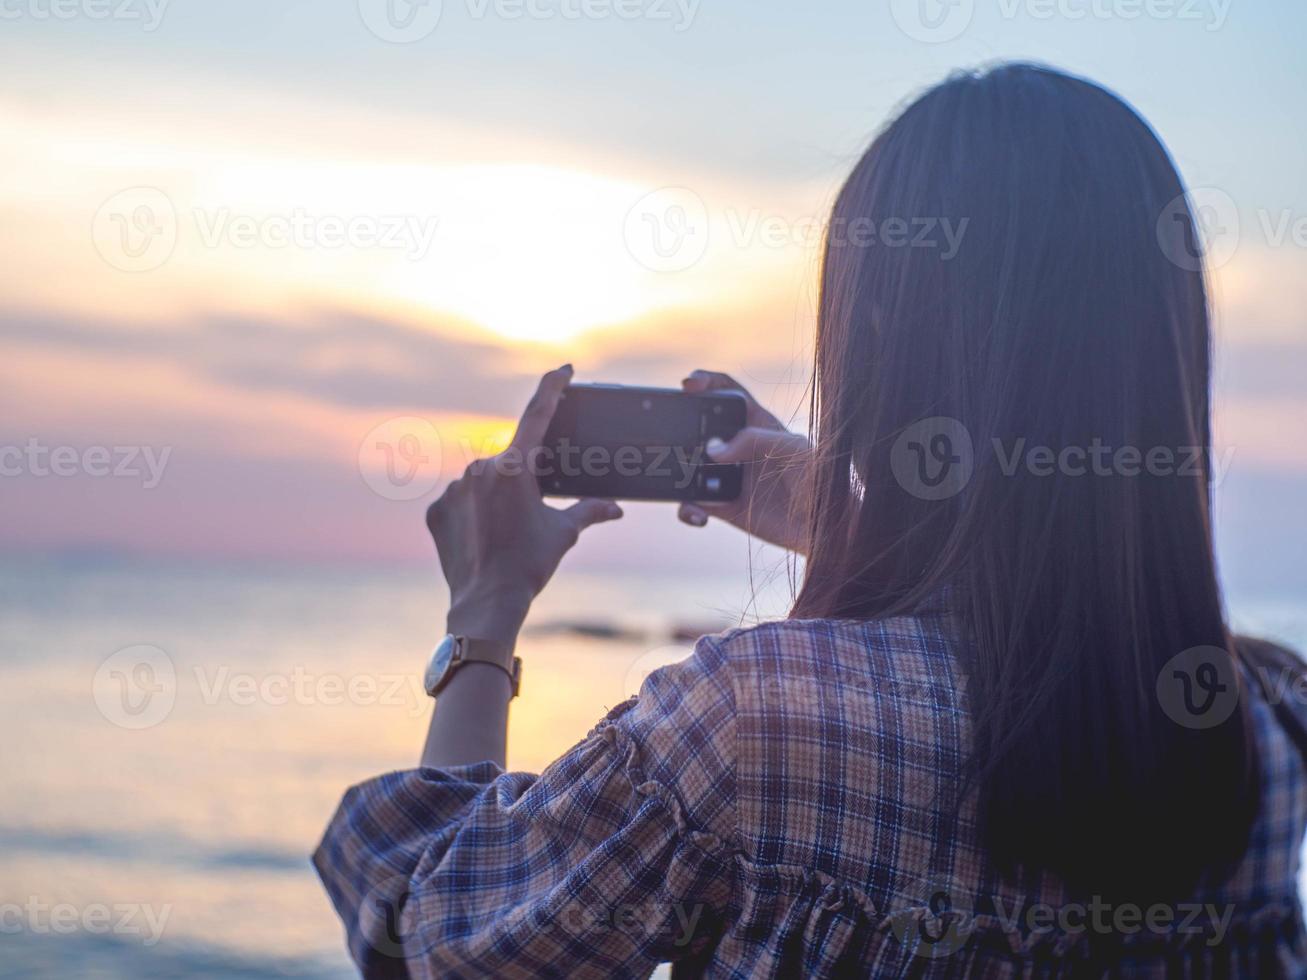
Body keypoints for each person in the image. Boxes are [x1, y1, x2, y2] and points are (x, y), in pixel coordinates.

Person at [314, 63, 1307, 977]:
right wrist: (852, 526)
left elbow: (436, 935)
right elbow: (1012, 658)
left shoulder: (754, 725)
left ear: (873, 334)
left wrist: (483, 619)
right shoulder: (1264, 726)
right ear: (1166, 351)